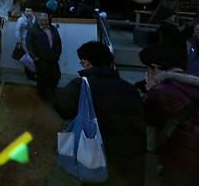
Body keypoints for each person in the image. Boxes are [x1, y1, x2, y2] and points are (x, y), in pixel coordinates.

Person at [53, 42, 146, 186]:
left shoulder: (82, 85)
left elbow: (62, 108)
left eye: (82, 62)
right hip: (132, 159)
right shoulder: (130, 88)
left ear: (87, 63)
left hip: (98, 159)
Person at [139, 44, 199, 185]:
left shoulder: (161, 91)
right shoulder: (193, 81)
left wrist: (150, 91)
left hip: (181, 159)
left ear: (155, 67)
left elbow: (149, 125)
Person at [26, 12, 62, 101]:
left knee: (56, 75)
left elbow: (58, 43)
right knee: (42, 79)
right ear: (38, 21)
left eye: (46, 20)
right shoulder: (33, 30)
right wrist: (34, 56)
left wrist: (57, 54)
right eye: (42, 20)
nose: (44, 22)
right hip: (40, 59)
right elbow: (29, 44)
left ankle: (52, 91)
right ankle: (42, 96)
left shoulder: (53, 28)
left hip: (53, 58)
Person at [15, 6, 36, 79]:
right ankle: (29, 74)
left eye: (30, 11)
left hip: (33, 41)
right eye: (27, 11)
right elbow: (17, 30)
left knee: (32, 57)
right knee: (27, 57)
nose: (28, 12)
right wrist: (18, 41)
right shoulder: (21, 20)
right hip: (24, 41)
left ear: (32, 11)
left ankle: (32, 72)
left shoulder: (34, 19)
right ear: (24, 11)